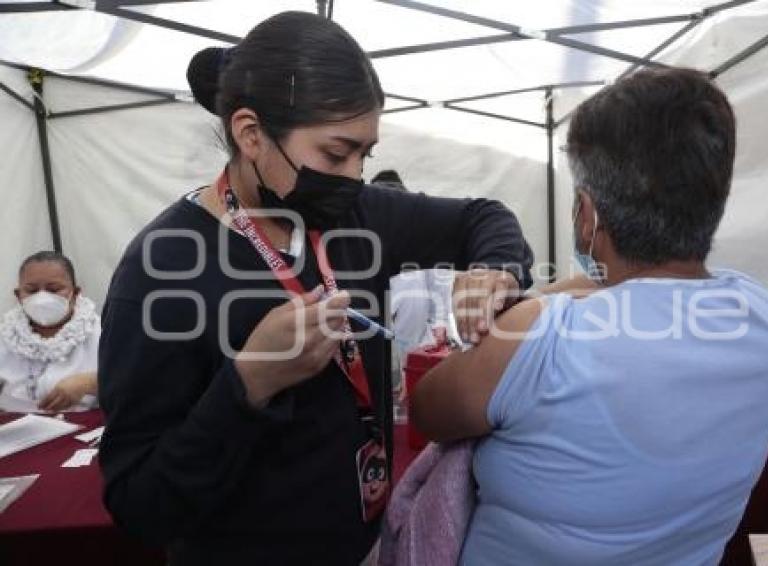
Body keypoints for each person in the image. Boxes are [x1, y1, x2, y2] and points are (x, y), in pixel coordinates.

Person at [97, 11, 533, 566]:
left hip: (370, 542)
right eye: (335, 153)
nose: (353, 175)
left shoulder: (357, 214)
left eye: (364, 155)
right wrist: (250, 382)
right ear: (251, 133)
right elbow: (141, 504)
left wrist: (494, 269)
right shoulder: (161, 268)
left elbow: (482, 216)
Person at [410, 67, 768, 565]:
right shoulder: (759, 314)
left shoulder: (540, 338)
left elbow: (426, 410)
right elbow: (636, 290)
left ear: (587, 215)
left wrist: (526, 304)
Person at [0, 251, 99, 412]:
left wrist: (91, 382)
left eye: (53, 289)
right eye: (32, 291)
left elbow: (136, 380)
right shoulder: (5, 335)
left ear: (75, 293)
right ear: (18, 296)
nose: (42, 298)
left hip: (83, 430)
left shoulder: (103, 334)